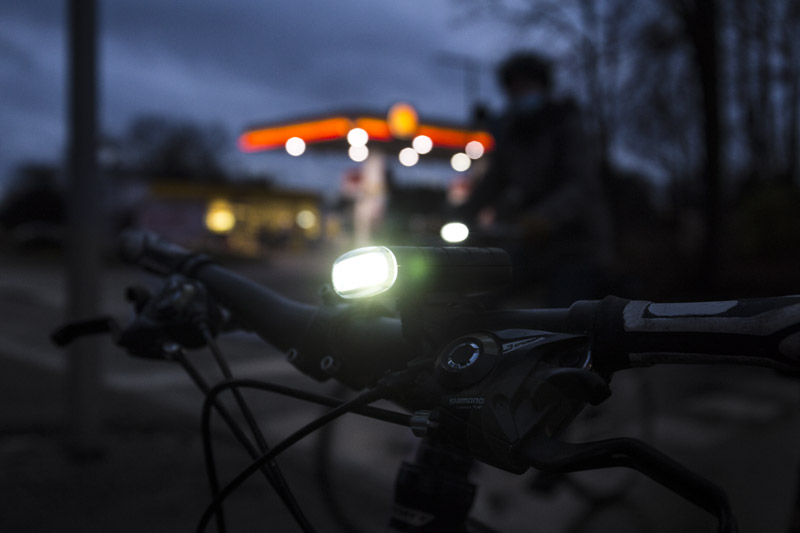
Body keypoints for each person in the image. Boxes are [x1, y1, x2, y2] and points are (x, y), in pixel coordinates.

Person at [457, 51, 613, 306]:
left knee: (565, 311)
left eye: (526, 86)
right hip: (530, 240)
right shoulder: (512, 133)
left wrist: (545, 217)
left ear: (543, 87)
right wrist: (457, 215)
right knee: (484, 294)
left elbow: (581, 185)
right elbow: (491, 184)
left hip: (577, 243)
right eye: (514, 89)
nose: (520, 93)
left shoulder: (566, 124)